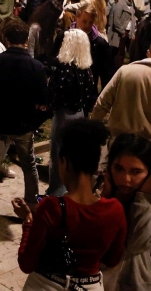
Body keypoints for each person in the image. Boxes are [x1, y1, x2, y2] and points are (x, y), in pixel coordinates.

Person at [15, 120, 126, 291]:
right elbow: (112, 259)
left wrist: (28, 221)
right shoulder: (115, 210)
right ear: (96, 166)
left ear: (64, 163)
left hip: (46, 285)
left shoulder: (51, 207)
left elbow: (26, 263)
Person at [0, 18, 48, 222]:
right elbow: (43, 99)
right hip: (24, 123)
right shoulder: (37, 67)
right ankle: (31, 203)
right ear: (26, 39)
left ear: (5, 38)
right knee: (28, 163)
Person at [101, 134, 151, 291]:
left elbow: (138, 244)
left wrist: (144, 198)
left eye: (136, 171)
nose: (125, 179)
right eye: (118, 168)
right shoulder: (103, 188)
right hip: (99, 281)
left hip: (135, 285)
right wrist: (104, 200)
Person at [91, 38, 151, 148]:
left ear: (148, 53)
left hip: (117, 140)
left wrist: (92, 129)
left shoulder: (125, 71)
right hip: (146, 144)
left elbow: (102, 103)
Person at [46, 30, 94, 197]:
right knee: (73, 156)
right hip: (79, 114)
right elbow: (90, 94)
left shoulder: (64, 69)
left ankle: (56, 192)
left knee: (58, 155)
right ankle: (70, 190)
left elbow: (55, 94)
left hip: (63, 115)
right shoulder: (86, 69)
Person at [107, 0, 136, 70]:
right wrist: (122, 31)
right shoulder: (119, 4)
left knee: (128, 53)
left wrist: (132, 32)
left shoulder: (131, 3)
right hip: (121, 33)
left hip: (128, 32)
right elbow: (116, 20)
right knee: (119, 54)